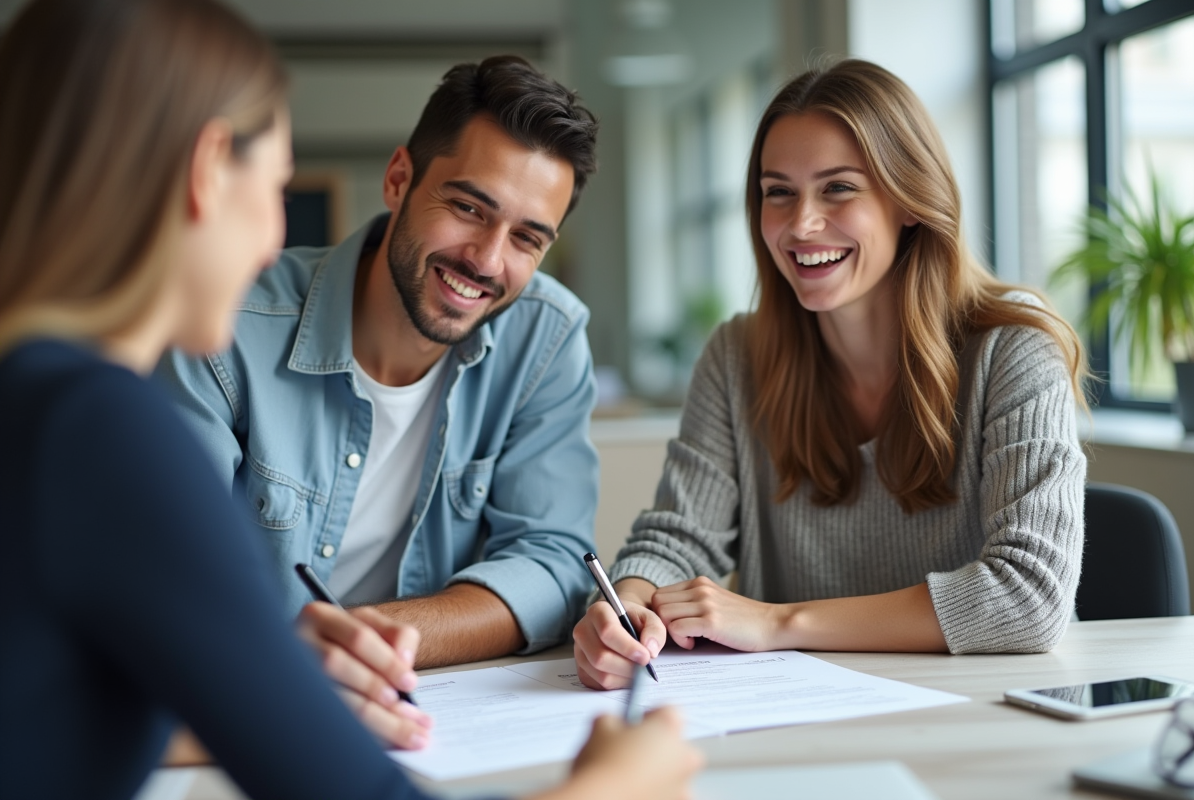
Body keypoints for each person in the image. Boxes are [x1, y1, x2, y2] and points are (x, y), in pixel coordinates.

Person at [0, 1, 702, 798]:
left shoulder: (42, 402)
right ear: (206, 173)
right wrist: (615, 787)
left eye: (527, 236)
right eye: (274, 187)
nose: (274, 238)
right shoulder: (100, 430)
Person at [573, 59, 1089, 690]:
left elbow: (1029, 598)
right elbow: (678, 537)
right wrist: (627, 604)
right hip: (794, 717)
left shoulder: (1014, 351)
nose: (800, 225)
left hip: (972, 717)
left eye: (839, 188)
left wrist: (779, 623)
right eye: (778, 192)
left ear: (908, 200)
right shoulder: (737, 356)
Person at [155, 52, 602, 741]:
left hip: (433, 718)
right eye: (467, 207)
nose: (486, 259)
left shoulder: (546, 337)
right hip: (233, 719)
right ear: (399, 179)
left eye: (526, 238)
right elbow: (166, 583)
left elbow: (549, 562)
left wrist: (370, 639)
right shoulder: (225, 329)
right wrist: (287, 664)